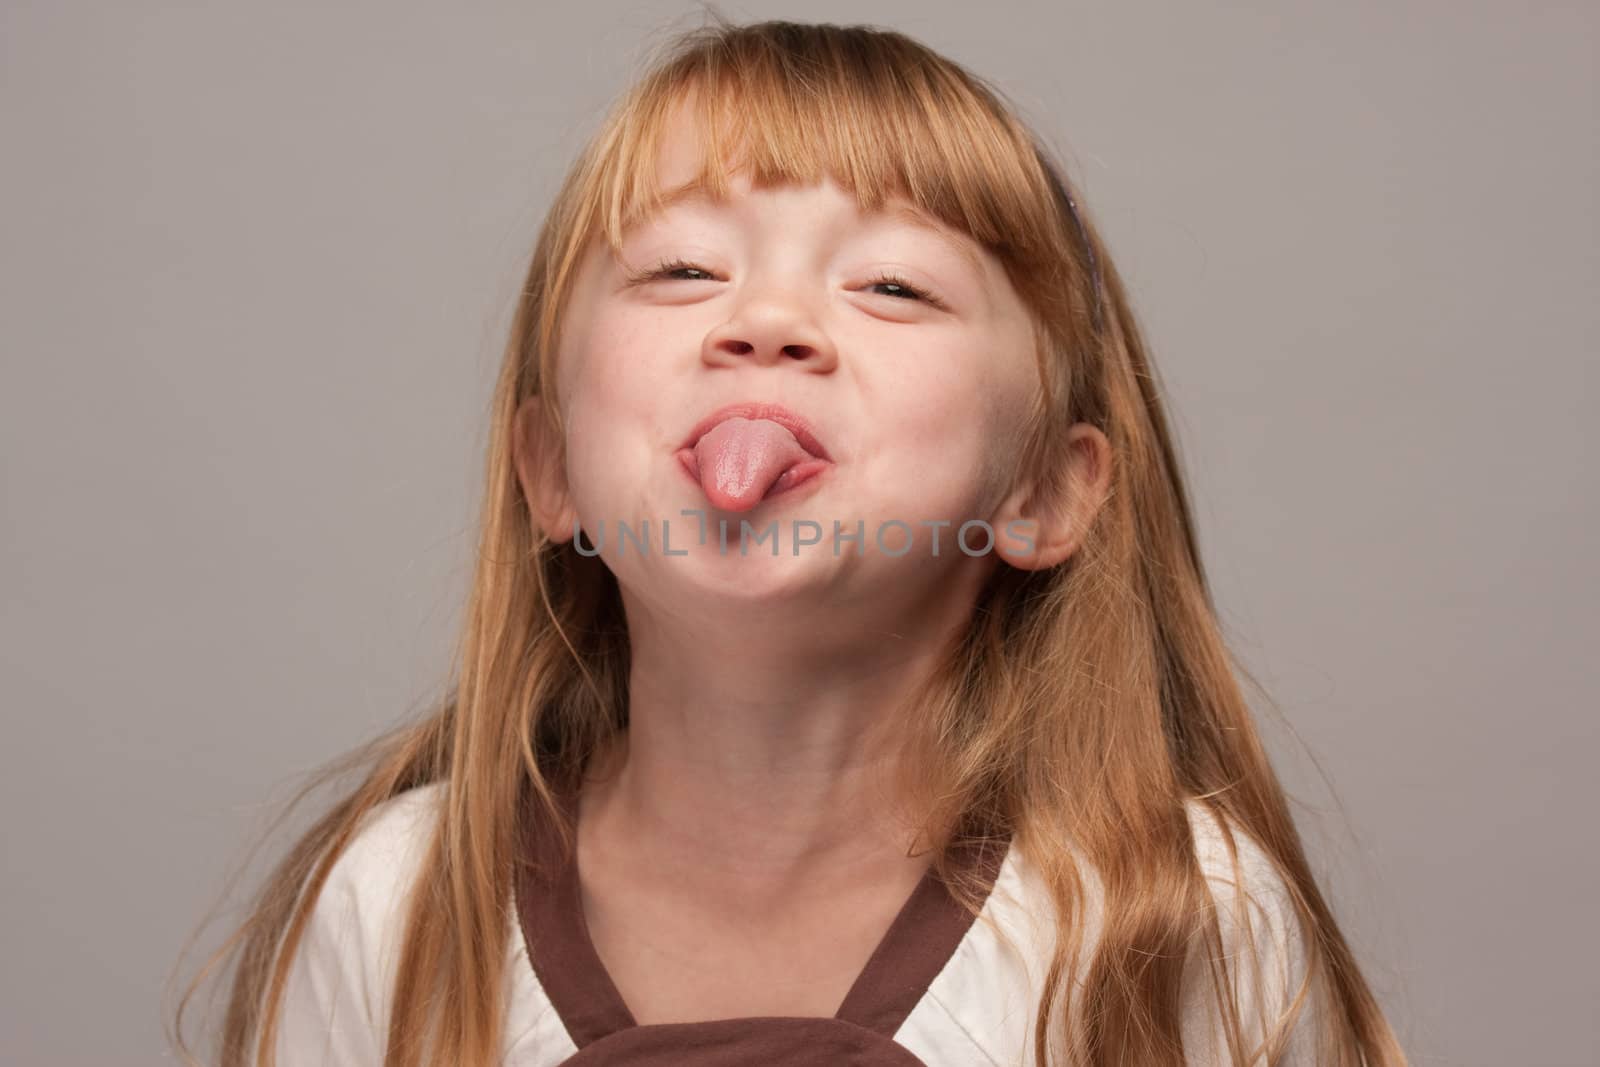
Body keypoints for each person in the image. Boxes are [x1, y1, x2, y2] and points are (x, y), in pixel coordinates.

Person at [172, 14, 1407, 1067]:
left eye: (889, 287)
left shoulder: (1164, 920)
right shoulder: (396, 905)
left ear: (1041, 491)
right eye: (680, 269)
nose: (764, 321)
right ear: (551, 471)